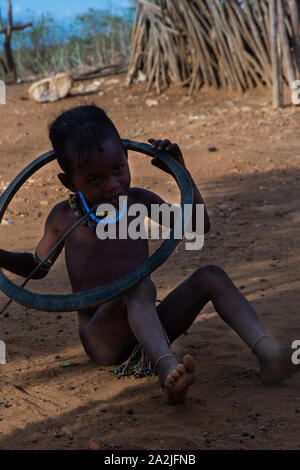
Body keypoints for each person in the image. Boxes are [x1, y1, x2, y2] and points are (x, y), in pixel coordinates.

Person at [0, 104, 299, 406]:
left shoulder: (139, 201)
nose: (112, 186)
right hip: (102, 339)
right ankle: (167, 370)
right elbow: (37, 268)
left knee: (210, 276)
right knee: (138, 284)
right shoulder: (63, 218)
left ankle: (268, 353)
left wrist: (180, 170)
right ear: (69, 183)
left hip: (148, 328)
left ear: (127, 157)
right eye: (94, 180)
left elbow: (197, 226)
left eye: (118, 169)